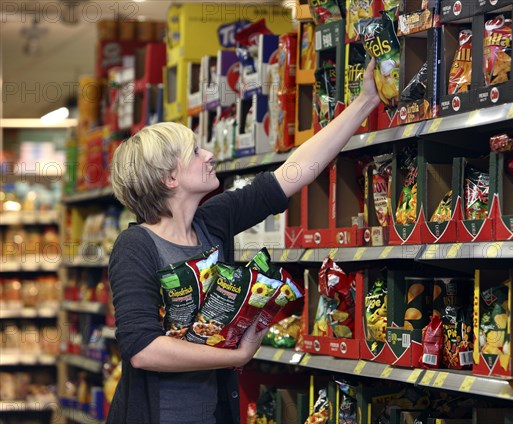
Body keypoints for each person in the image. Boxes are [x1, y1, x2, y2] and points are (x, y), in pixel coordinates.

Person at [106, 58, 380, 424]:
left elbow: (292, 173)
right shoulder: (136, 246)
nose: (210, 155)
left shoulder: (212, 223)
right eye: (195, 152)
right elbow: (143, 350)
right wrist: (235, 357)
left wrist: (364, 103)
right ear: (170, 178)